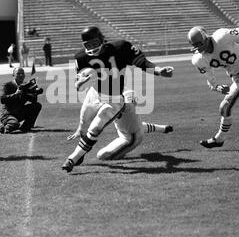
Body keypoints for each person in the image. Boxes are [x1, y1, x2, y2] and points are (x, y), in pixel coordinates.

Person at [61, 26, 174, 172]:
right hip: (94, 93)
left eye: (95, 43)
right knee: (83, 125)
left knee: (97, 129)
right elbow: (78, 83)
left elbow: (142, 62)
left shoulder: (121, 47)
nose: (92, 48)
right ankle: (160, 128)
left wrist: (158, 70)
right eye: (88, 45)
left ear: (102, 39)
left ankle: (73, 158)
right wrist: (80, 83)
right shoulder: (81, 57)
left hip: (114, 98)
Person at [67, 87, 173, 162]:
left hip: (130, 139)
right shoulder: (120, 102)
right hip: (128, 132)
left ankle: (121, 151)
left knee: (102, 156)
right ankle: (162, 128)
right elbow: (141, 126)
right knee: (134, 126)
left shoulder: (123, 105)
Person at [0, 67, 42, 134]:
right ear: (14, 75)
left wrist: (35, 93)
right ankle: (4, 127)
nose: (21, 75)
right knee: (14, 124)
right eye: (18, 73)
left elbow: (33, 101)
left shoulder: (26, 86)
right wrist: (15, 94)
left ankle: (25, 127)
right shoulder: (8, 85)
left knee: (37, 106)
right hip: (8, 114)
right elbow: (2, 99)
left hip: (19, 112)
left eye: (22, 73)